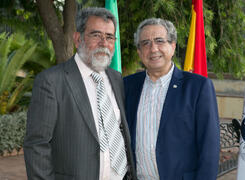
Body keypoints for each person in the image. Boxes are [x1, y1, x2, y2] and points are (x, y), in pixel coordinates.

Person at [24, 7, 136, 180]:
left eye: (109, 37)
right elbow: (37, 145)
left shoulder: (116, 79)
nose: (104, 43)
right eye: (96, 35)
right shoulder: (51, 81)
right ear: (77, 39)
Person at [124, 18, 220, 180]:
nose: (153, 49)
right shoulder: (127, 86)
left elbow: (209, 147)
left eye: (160, 41)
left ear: (173, 46)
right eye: (145, 43)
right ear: (139, 52)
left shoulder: (197, 87)